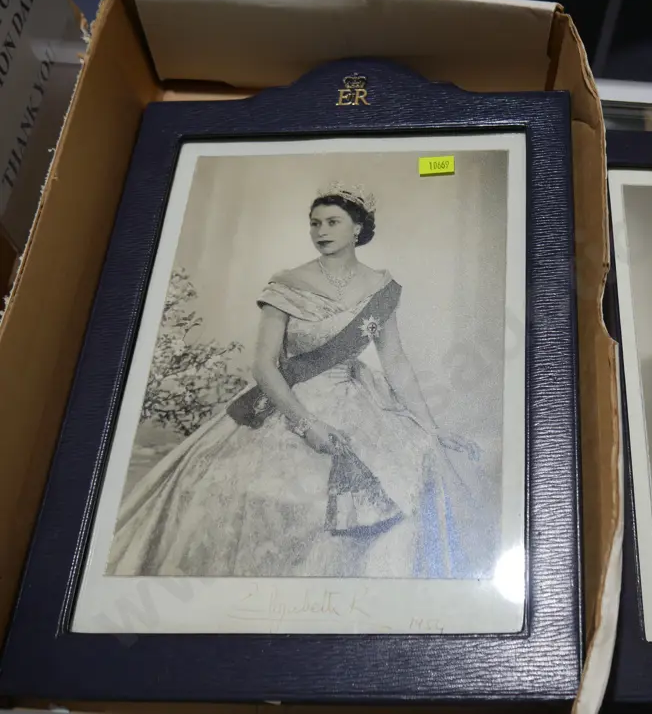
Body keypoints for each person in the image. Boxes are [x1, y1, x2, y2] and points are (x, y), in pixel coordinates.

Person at [108, 185, 481, 579]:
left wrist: (431, 426)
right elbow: (264, 366)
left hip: (356, 403)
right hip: (287, 402)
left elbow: (396, 361)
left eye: (333, 222)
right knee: (238, 495)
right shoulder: (287, 282)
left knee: (413, 472)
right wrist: (307, 425)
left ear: (357, 228)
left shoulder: (380, 288)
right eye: (314, 223)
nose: (321, 230)